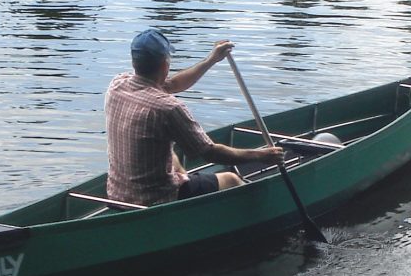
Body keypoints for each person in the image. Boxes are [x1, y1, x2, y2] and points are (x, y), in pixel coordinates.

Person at [105, 29, 284, 206]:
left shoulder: (117, 84)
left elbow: (174, 84)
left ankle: (187, 187)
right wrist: (260, 155)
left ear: (135, 62)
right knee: (231, 179)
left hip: (117, 193)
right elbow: (210, 153)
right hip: (156, 197)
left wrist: (211, 60)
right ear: (165, 66)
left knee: (170, 152)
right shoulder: (169, 107)